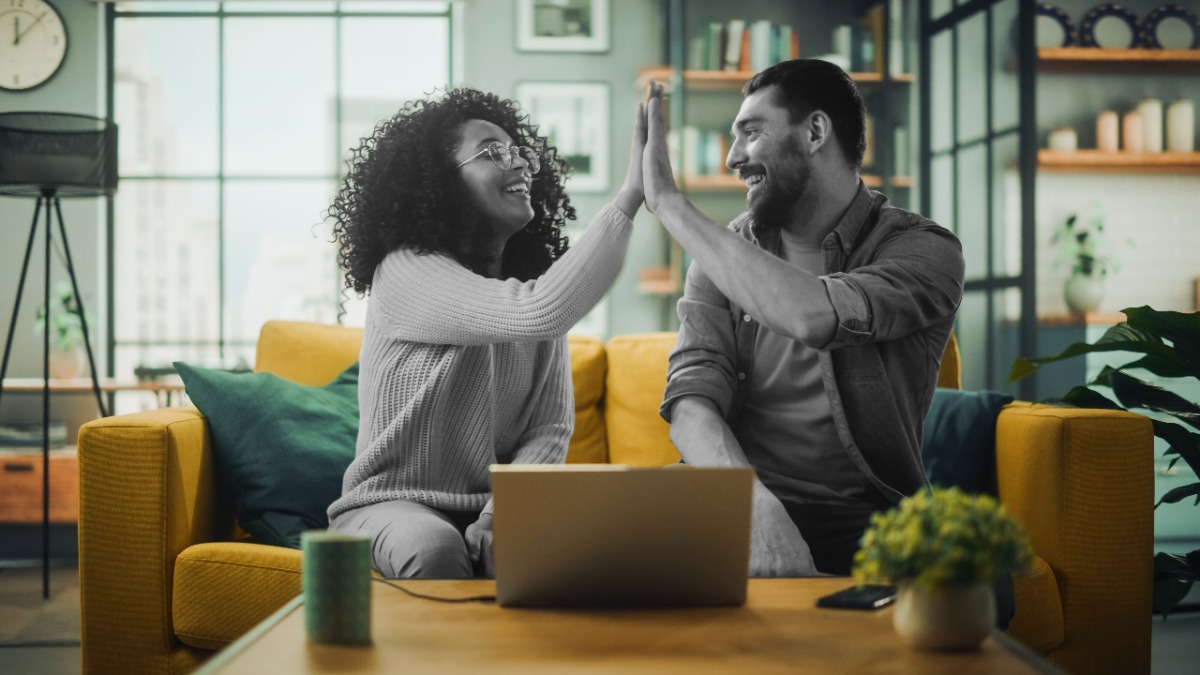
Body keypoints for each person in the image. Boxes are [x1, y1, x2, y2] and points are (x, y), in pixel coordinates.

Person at [643, 60, 966, 577]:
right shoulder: (721, 255)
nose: (732, 157)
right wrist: (754, 507)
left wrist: (669, 205)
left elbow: (814, 315)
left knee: (978, 591)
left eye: (751, 132)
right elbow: (691, 402)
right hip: (732, 495)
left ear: (815, 131)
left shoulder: (922, 250)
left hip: (863, 516)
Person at [326, 87, 646, 579]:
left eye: (520, 152)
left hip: (490, 508)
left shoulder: (527, 292)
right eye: (494, 152)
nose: (519, 165)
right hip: (390, 506)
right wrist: (630, 198)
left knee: (620, 546)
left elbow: (548, 430)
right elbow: (539, 310)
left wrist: (502, 513)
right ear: (437, 181)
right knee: (433, 545)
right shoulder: (406, 271)